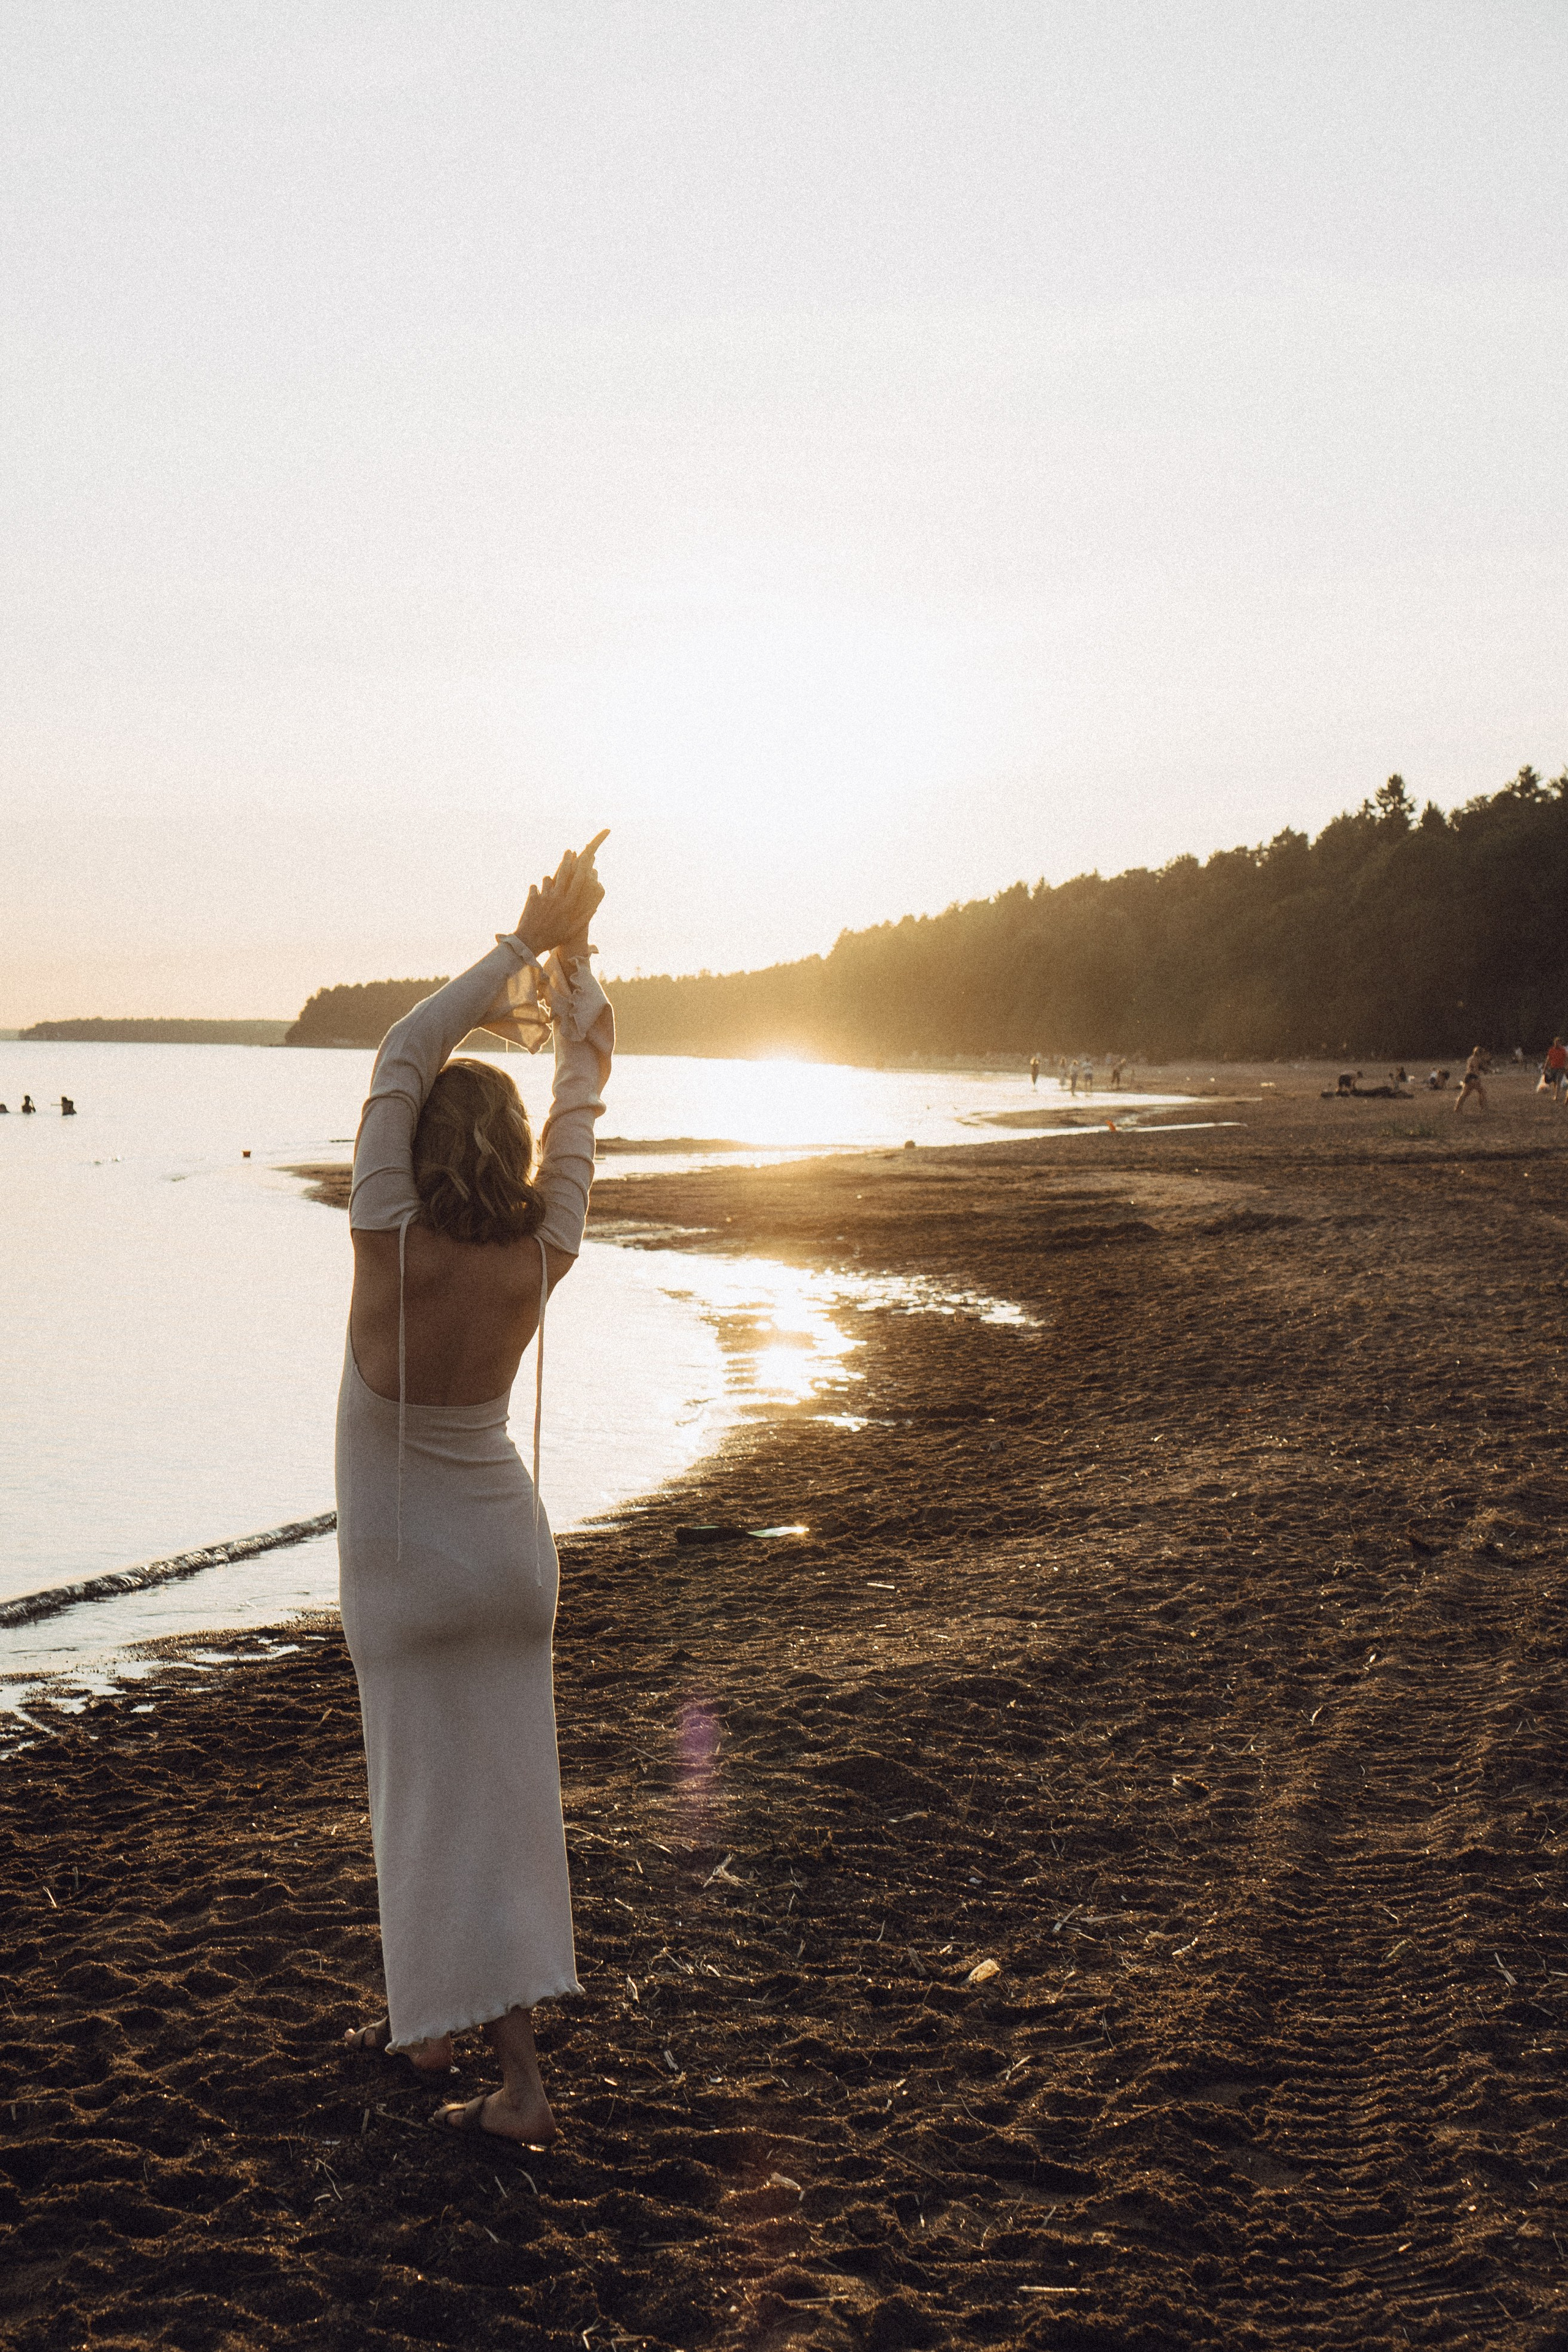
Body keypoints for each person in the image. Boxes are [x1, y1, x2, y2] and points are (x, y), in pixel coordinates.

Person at [338, 834, 612, 2147]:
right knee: (501, 1804)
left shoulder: (384, 1233)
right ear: (508, 1152)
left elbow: (402, 1050)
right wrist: (576, 986)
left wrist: (519, 944)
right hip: (509, 1558)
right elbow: (585, 1098)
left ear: (424, 1139)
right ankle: (477, 2050)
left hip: (403, 1570)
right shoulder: (538, 1247)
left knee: (419, 1790)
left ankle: (509, 2075)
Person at [1455, 1046, 1490, 1114]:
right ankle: (1483, 1108)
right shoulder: (1478, 1059)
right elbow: (1484, 1070)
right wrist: (1486, 1065)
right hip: (1474, 1077)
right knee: (1482, 1092)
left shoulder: (1470, 1058)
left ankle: (1457, 1108)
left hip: (1468, 1077)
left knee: (1464, 1094)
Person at [1544, 1036, 1567, 1102]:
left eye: (1558, 1043)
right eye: (1556, 1043)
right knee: (1555, 1082)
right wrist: (1545, 1068)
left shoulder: (1563, 1050)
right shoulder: (1551, 1050)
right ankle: (1555, 1094)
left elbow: (1566, 1059)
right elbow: (1548, 1060)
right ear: (1554, 1043)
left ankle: (1556, 1096)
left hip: (1561, 1068)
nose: (1557, 1044)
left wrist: (1566, 1067)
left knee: (1558, 1082)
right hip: (1553, 1068)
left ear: (1560, 1043)